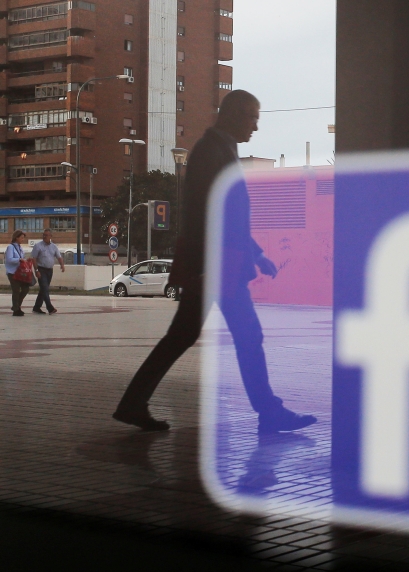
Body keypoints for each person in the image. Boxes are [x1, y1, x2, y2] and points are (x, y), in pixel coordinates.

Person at [114, 90, 316, 434]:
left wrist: (257, 254)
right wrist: (213, 264)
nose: (255, 125)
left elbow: (229, 216)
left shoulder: (221, 150)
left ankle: (133, 403)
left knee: (183, 336)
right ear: (233, 114)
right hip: (217, 265)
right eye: (252, 116)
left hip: (218, 262)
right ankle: (268, 411)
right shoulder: (212, 152)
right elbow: (209, 214)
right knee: (244, 336)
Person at [30, 228, 65, 314]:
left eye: (46, 235)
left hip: (49, 270)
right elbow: (34, 259)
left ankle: (36, 307)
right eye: (43, 235)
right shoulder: (38, 246)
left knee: (43, 289)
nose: (44, 236)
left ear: (50, 236)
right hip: (41, 269)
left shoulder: (54, 246)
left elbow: (58, 256)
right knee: (45, 288)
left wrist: (62, 265)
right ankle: (50, 307)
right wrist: (36, 270)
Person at [5, 230, 31, 317]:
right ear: (16, 237)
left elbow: (22, 258)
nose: (23, 239)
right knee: (16, 290)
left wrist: (26, 260)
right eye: (21, 238)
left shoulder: (20, 248)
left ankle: (16, 305)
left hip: (20, 272)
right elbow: (9, 259)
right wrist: (19, 260)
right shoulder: (10, 247)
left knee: (25, 288)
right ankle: (16, 309)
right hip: (12, 272)